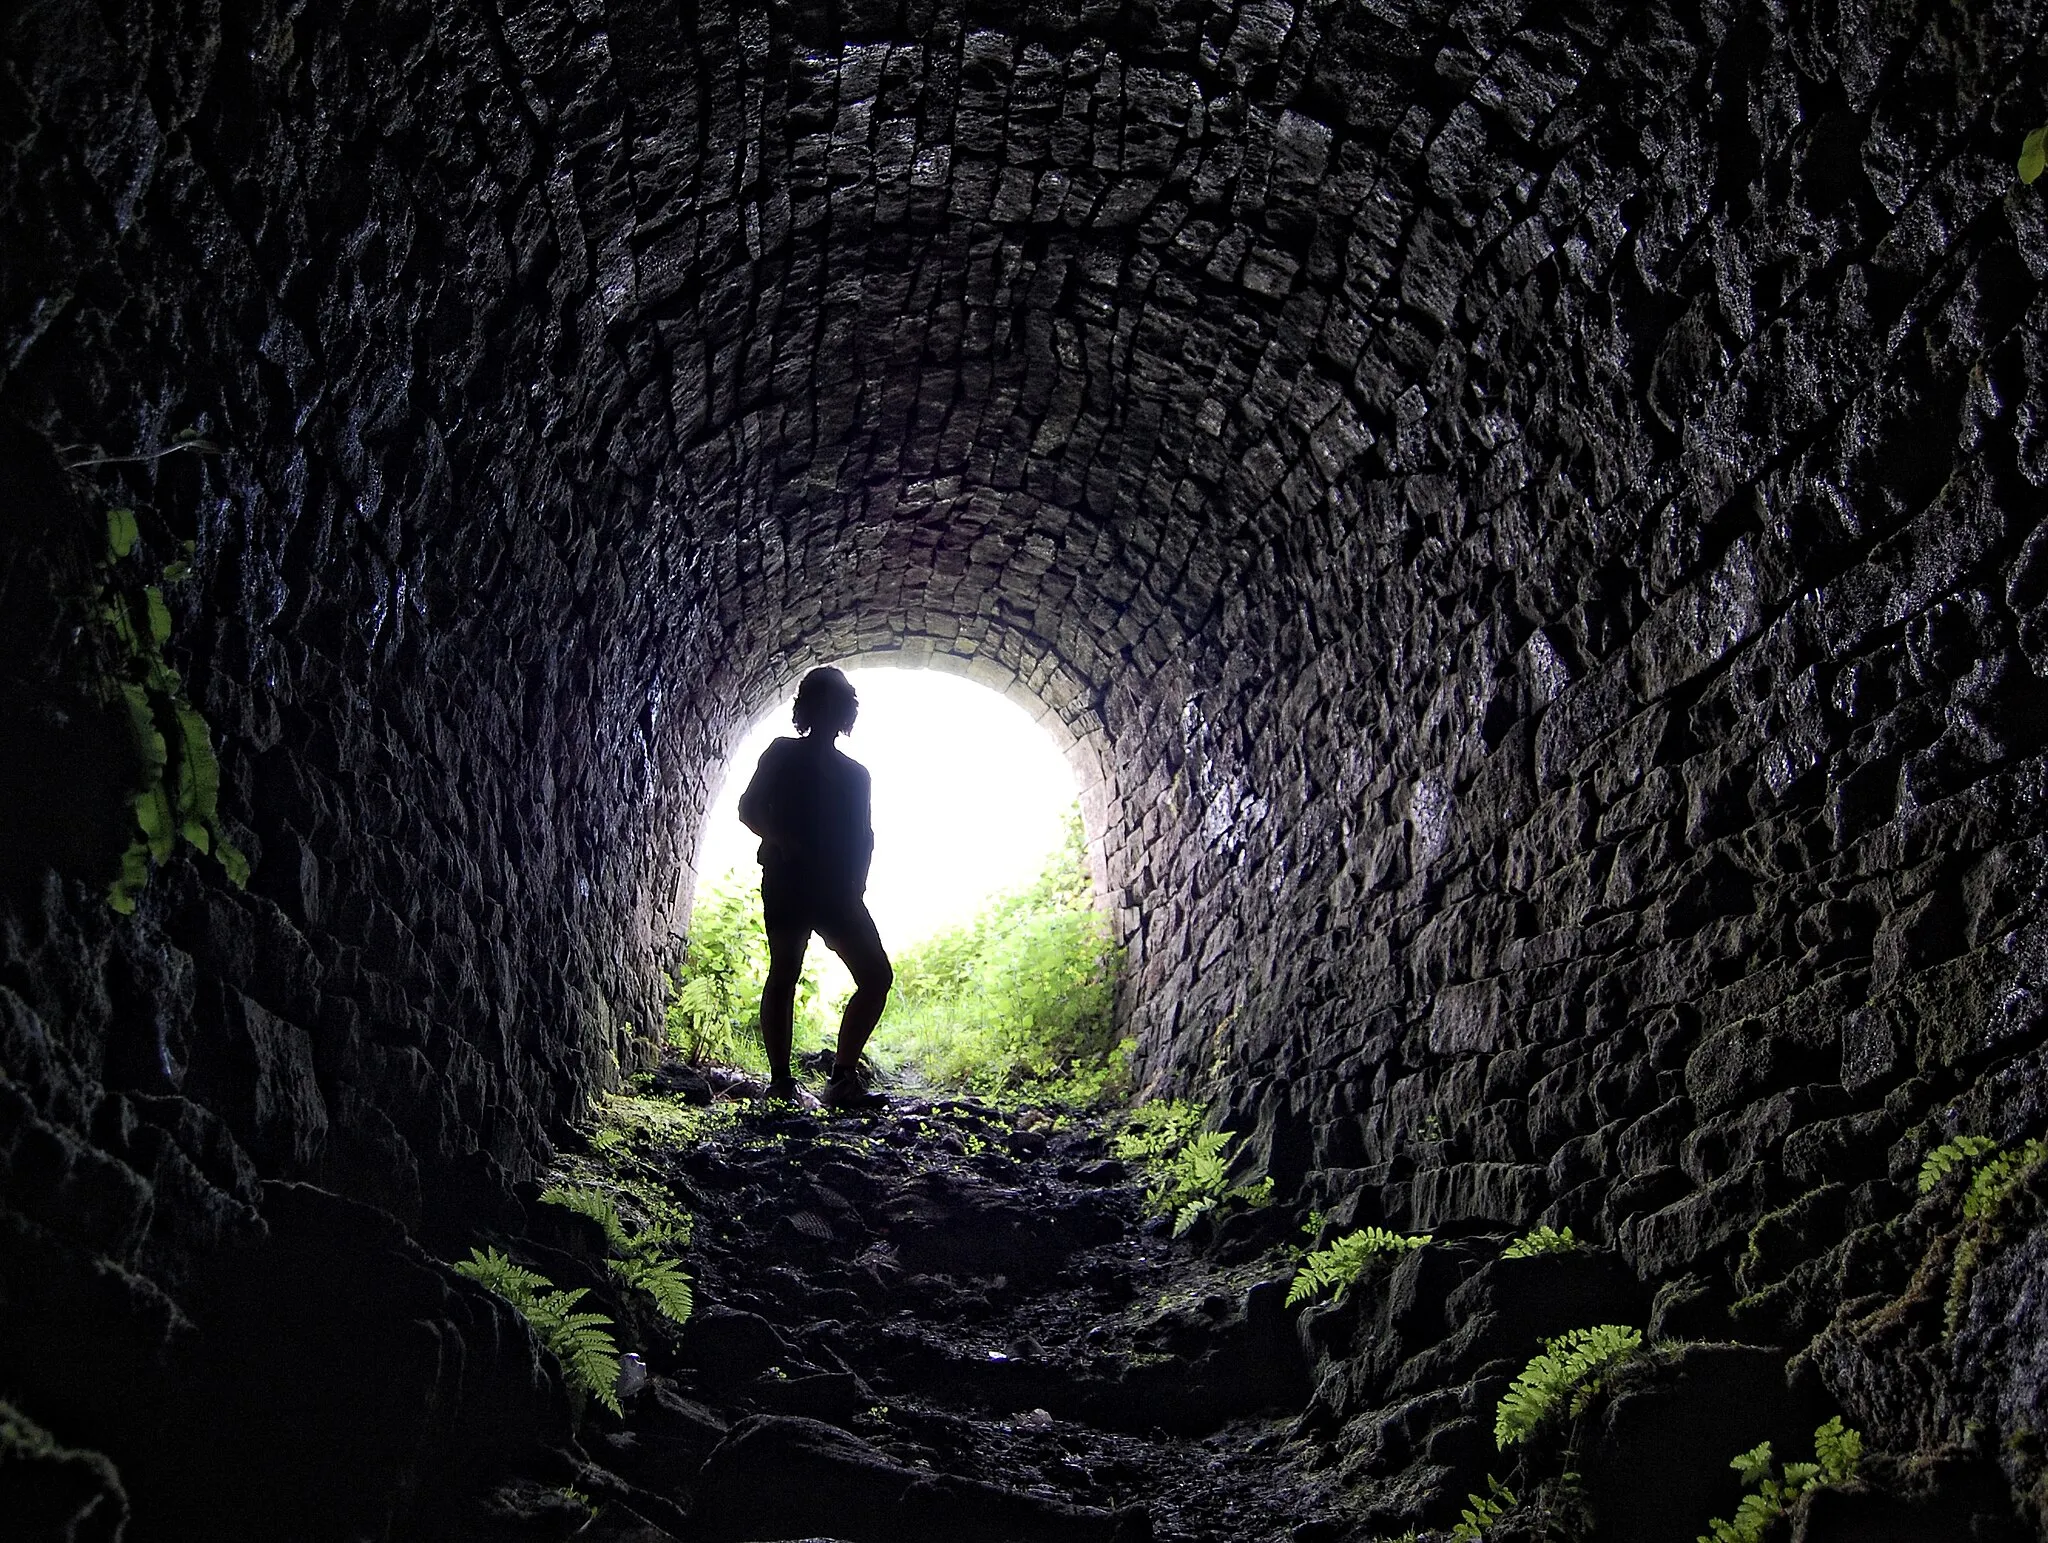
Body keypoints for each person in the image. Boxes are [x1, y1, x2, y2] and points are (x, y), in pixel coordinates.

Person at [737, 667, 893, 1108]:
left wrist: (857, 884)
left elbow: (864, 835)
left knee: (876, 976)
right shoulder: (782, 754)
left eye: (836, 703)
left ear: (844, 712)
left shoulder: (856, 774)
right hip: (788, 881)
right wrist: (782, 841)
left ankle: (841, 1077)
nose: (830, 711)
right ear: (809, 708)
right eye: (823, 701)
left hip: (837, 891)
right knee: (785, 971)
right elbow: (748, 808)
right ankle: (782, 1082)